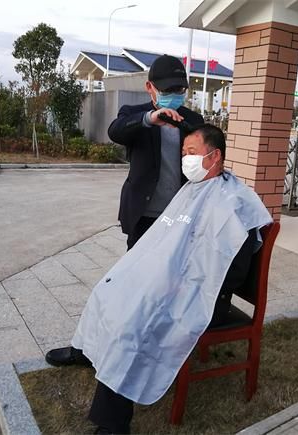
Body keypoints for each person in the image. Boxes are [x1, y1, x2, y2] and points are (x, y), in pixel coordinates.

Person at [71, 124, 272, 433]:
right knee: (109, 289)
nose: (185, 160)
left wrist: (176, 283)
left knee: (134, 318)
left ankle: (114, 422)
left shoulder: (235, 202)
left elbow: (231, 272)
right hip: (175, 282)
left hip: (206, 296)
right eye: (183, 153)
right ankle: (85, 351)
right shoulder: (193, 188)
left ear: (214, 156)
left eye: (191, 153)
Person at [46, 54, 203, 367]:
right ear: (150, 88)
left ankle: (158, 348)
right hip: (145, 218)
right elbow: (116, 131)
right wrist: (151, 118)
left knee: (168, 289)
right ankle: (90, 347)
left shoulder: (193, 121)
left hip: (180, 221)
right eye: (167, 89)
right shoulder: (135, 115)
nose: (175, 95)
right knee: (127, 286)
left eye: (180, 89)